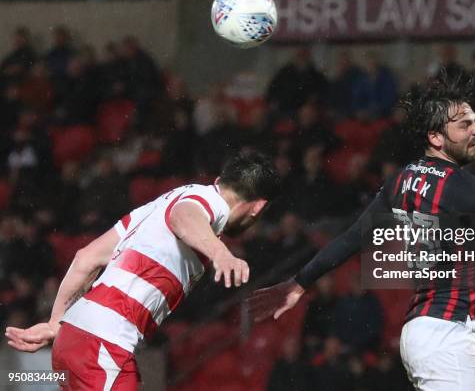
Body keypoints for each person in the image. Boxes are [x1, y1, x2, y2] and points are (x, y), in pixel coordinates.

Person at [247, 75, 475, 390]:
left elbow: (351, 239)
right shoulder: (470, 191)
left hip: (418, 332)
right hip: (450, 335)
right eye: (464, 125)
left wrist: (299, 283)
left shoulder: (401, 181)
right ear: (435, 136)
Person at [5, 150, 280, 390]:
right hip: (104, 342)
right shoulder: (210, 204)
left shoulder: (157, 206)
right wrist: (221, 253)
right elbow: (184, 216)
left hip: (77, 339)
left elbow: (86, 258)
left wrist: (57, 322)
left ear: (220, 180)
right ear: (258, 207)